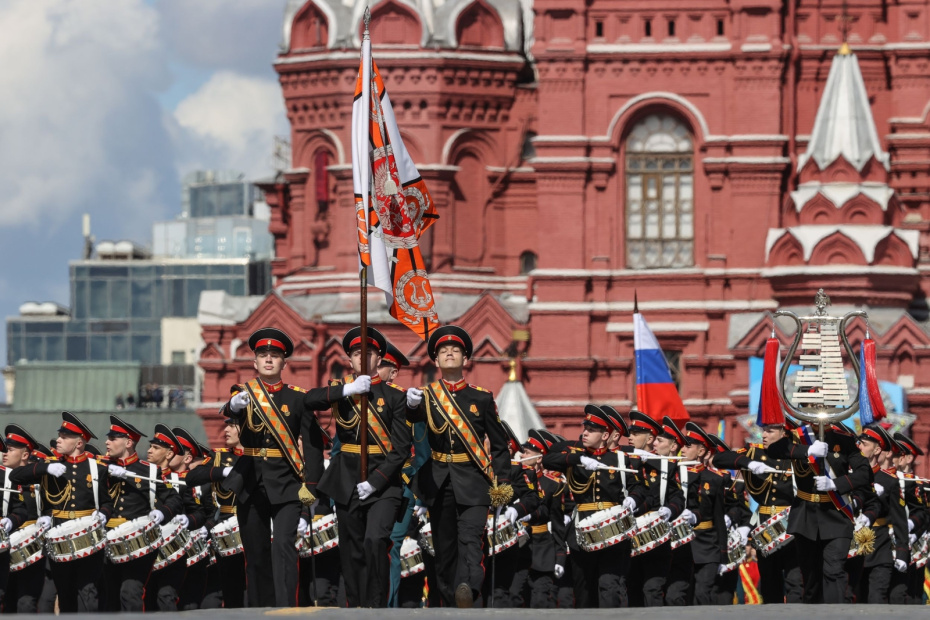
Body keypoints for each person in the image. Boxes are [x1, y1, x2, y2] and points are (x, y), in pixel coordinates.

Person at [221, 326, 368, 608]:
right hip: (249, 479)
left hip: (287, 481)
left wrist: (310, 485)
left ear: (283, 363)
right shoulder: (244, 394)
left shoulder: (296, 396)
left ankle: (286, 607)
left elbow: (312, 444)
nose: (268, 359)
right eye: (262, 355)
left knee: (284, 547)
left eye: (274, 355)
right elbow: (228, 411)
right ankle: (259, 609)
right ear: (254, 362)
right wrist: (235, 406)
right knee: (256, 552)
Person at [405, 325, 513, 608]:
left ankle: (470, 590)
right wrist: (411, 406)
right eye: (443, 351)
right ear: (436, 360)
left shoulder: (482, 397)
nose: (449, 353)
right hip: (438, 480)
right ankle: (450, 602)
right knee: (444, 549)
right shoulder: (426, 396)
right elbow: (412, 421)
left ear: (466, 360)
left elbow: (500, 446)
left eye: (455, 350)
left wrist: (501, 484)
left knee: (471, 540)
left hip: (474, 480)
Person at [317, 326, 412, 608]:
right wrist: (347, 389)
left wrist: (375, 481)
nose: (362, 358)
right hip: (347, 482)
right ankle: (356, 607)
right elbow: (309, 400)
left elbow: (401, 449)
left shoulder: (394, 396)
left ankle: (376, 605)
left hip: (384, 484)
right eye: (357, 353)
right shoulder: (342, 391)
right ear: (349, 359)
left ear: (379, 358)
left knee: (375, 540)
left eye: (368, 353)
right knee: (351, 548)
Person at [542, 405, 647, 608]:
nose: (585, 433)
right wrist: (577, 459)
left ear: (606, 435)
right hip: (581, 531)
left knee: (609, 585)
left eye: (591, 430)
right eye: (585, 428)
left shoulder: (621, 459)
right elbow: (547, 459)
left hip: (613, 531)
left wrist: (633, 499)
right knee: (583, 588)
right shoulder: (576, 456)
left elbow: (639, 488)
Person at [10, 412, 111, 613]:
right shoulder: (52, 465)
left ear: (79, 443)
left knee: (88, 591)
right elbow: (15, 475)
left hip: (88, 535)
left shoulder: (96, 468)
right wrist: (42, 469)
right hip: (59, 536)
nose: (59, 440)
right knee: (65, 592)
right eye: (60, 436)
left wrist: (103, 514)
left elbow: (107, 502)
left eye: (64, 437)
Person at [764, 422, 870, 604]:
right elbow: (774, 451)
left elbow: (865, 473)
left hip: (836, 513)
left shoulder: (843, 439)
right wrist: (808, 451)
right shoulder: (795, 437)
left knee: (834, 571)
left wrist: (836, 484)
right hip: (806, 516)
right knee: (810, 578)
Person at [712, 418, 802, 604]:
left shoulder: (797, 456)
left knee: (796, 582)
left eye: (769, 431)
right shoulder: (754, 453)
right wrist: (747, 462)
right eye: (764, 431)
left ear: (784, 433)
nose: (764, 435)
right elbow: (719, 459)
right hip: (765, 526)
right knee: (770, 581)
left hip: (793, 524)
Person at [101, 416, 183, 612]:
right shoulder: (101, 467)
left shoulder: (149, 472)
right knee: (108, 596)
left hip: (137, 542)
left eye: (113, 438)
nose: (107, 442)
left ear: (128, 443)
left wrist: (162, 513)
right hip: (106, 540)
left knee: (130, 593)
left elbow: (174, 499)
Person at [625, 413, 686, 607]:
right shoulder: (621, 462)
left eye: (635, 433)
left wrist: (669, 510)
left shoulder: (663, 467)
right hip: (627, 538)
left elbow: (677, 497)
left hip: (655, 537)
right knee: (630, 590)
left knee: (652, 590)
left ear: (649, 439)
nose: (630, 437)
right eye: (630, 433)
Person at [510, 428, 565, 608]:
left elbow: (555, 520)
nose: (521, 453)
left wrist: (560, 557)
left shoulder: (551, 484)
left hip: (541, 547)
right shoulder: (515, 477)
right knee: (514, 596)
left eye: (527, 451)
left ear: (540, 457)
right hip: (516, 546)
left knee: (540, 600)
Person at [854, 425, 909, 603]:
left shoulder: (889, 481)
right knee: (854, 599)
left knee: (876, 599)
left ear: (877, 449)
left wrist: (902, 553)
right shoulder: (847, 477)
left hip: (880, 547)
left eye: (863, 444)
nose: (859, 447)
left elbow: (900, 520)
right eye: (858, 443)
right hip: (851, 548)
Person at [2, 425, 46, 613]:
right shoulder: (3, 479)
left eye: (10, 450)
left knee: (26, 602)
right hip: (5, 548)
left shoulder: (38, 480)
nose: (4, 453)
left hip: (31, 547)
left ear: (25, 455)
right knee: (7, 601)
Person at [892, 432, 928, 604]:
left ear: (907, 459)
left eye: (896, 454)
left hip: (913, 545)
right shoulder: (883, 479)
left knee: (910, 593)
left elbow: (925, 515)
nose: (891, 456)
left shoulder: (921, 485)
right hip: (886, 543)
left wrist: (914, 531)